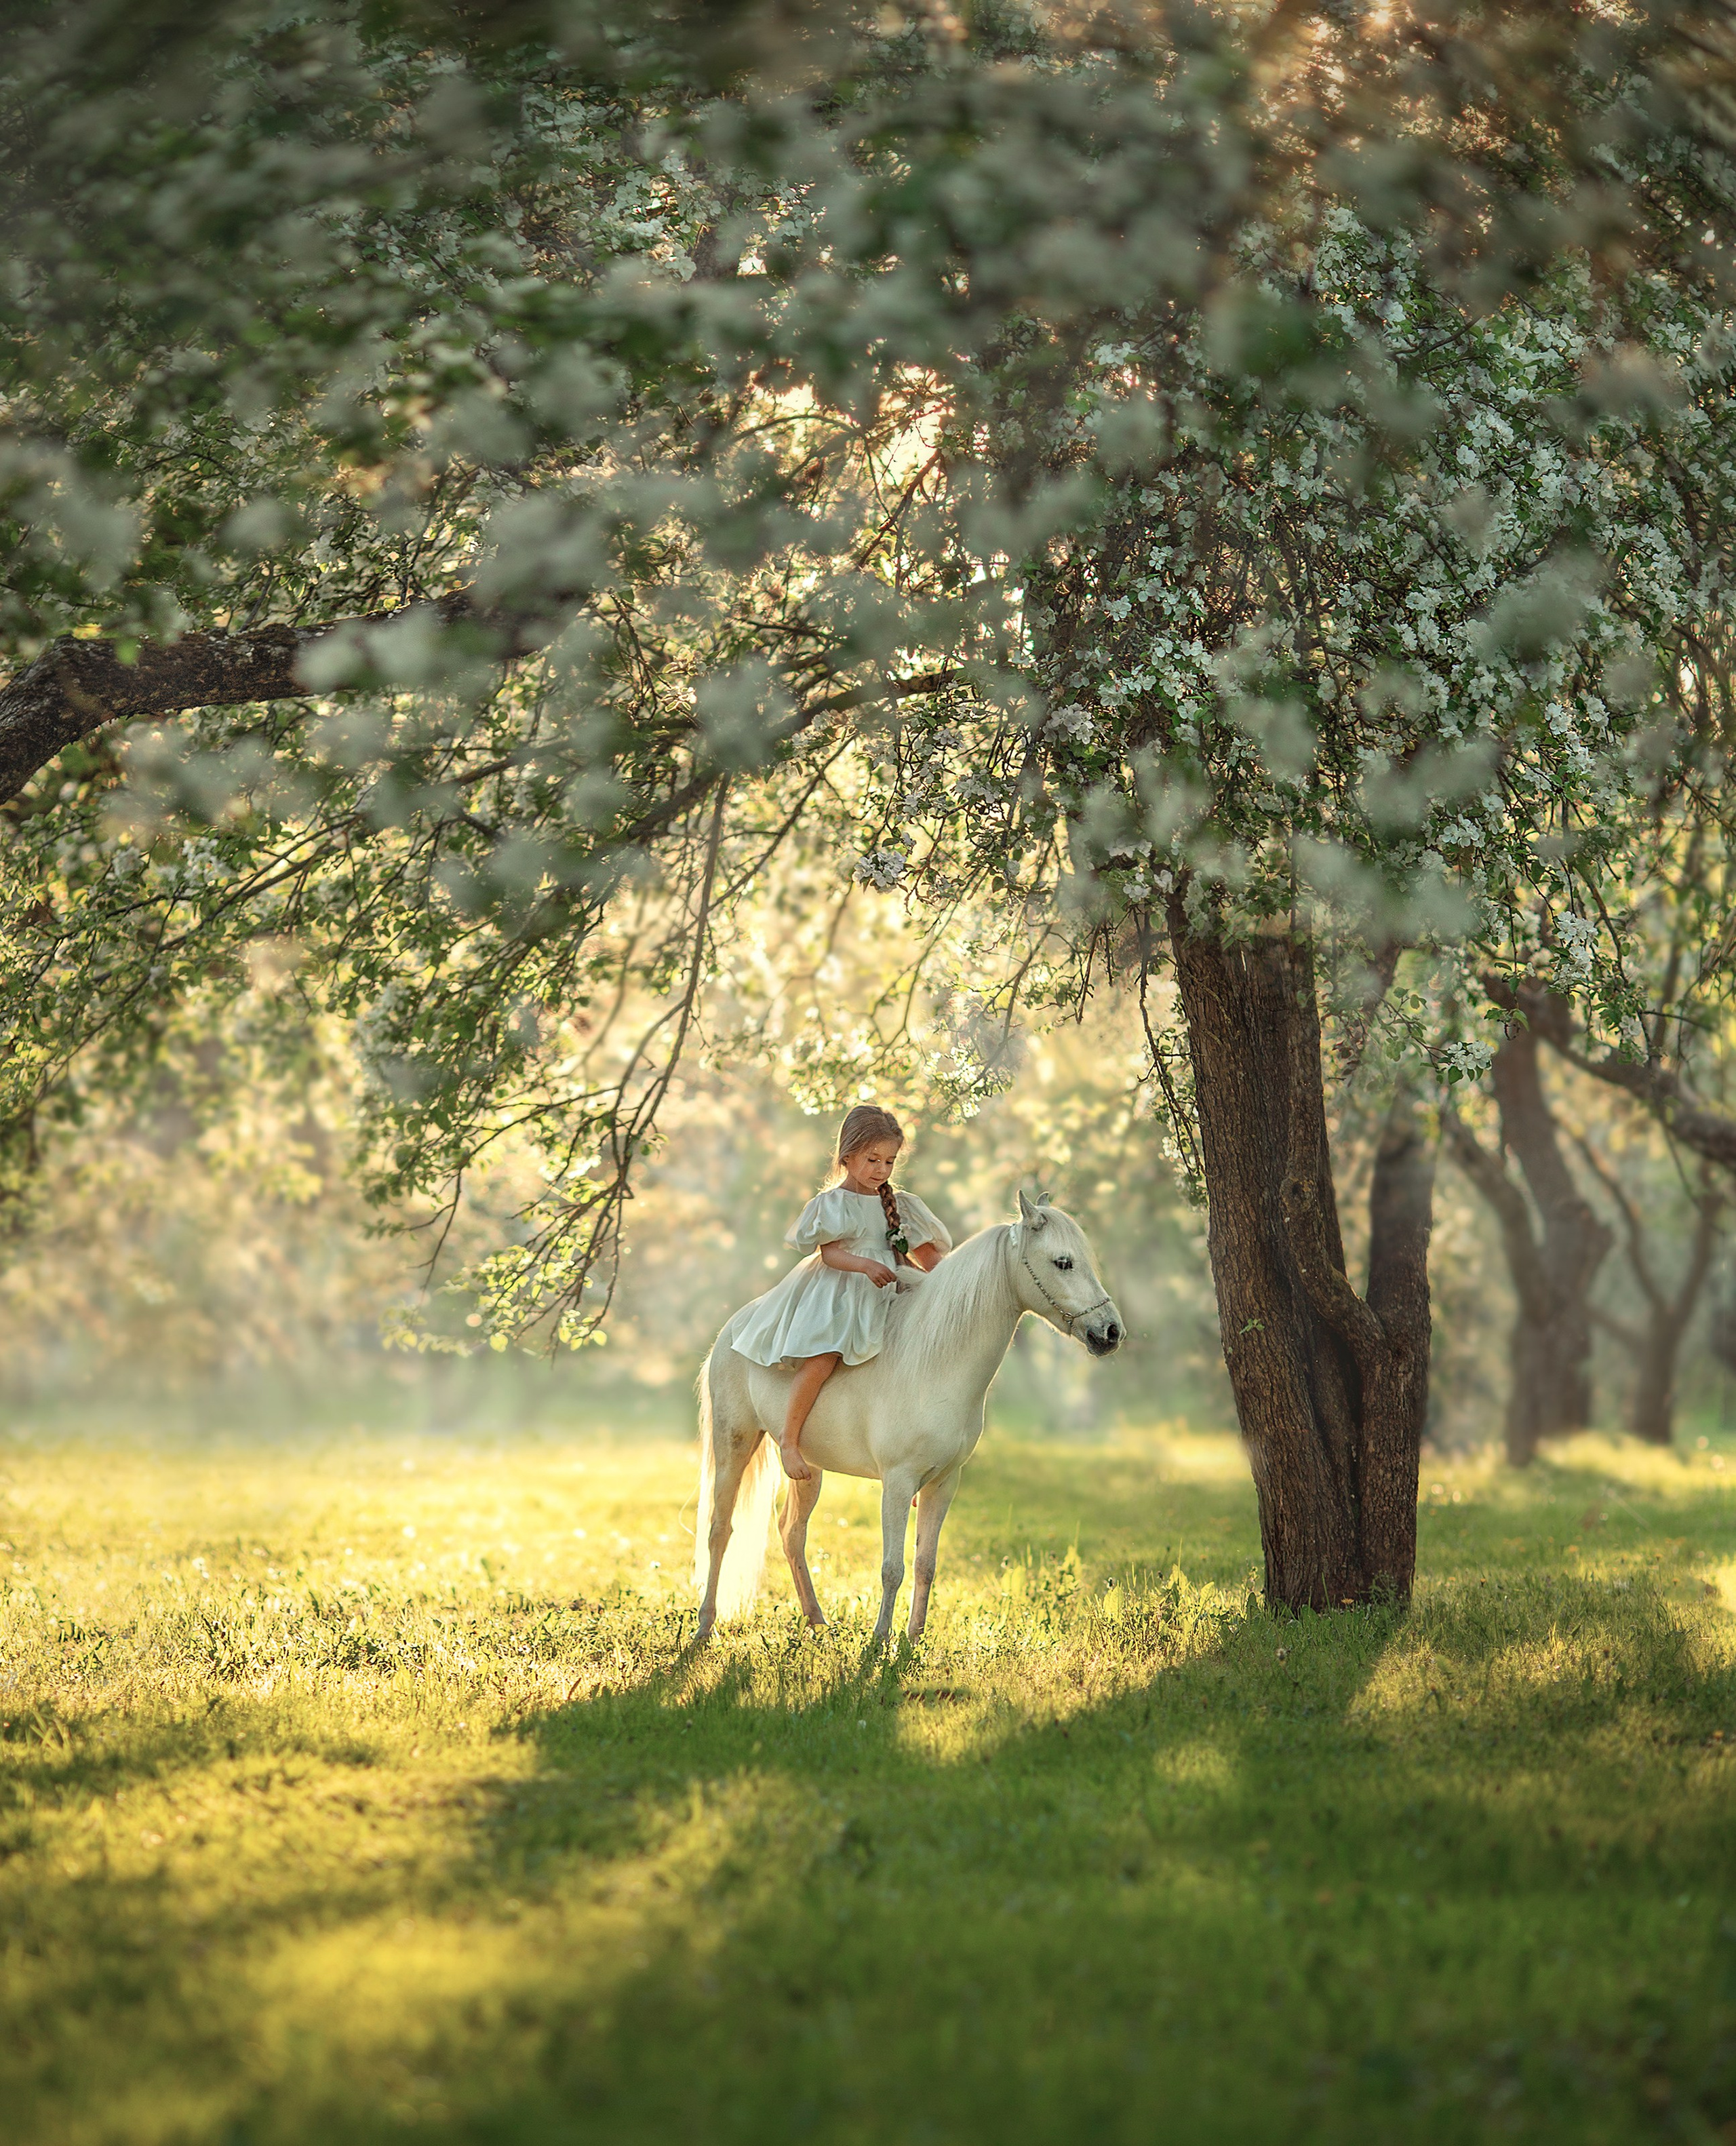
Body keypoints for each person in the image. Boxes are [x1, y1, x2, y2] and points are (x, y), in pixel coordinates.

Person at [730, 1104, 951, 1481]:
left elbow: (931, 1259)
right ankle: (789, 1439)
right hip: (841, 1293)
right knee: (824, 1356)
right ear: (847, 1156)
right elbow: (830, 1253)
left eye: (889, 1162)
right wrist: (866, 1265)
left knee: (913, 1361)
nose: (880, 1170)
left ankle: (911, 1456)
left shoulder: (903, 1206)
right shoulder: (832, 1204)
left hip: (888, 1295)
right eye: (872, 1159)